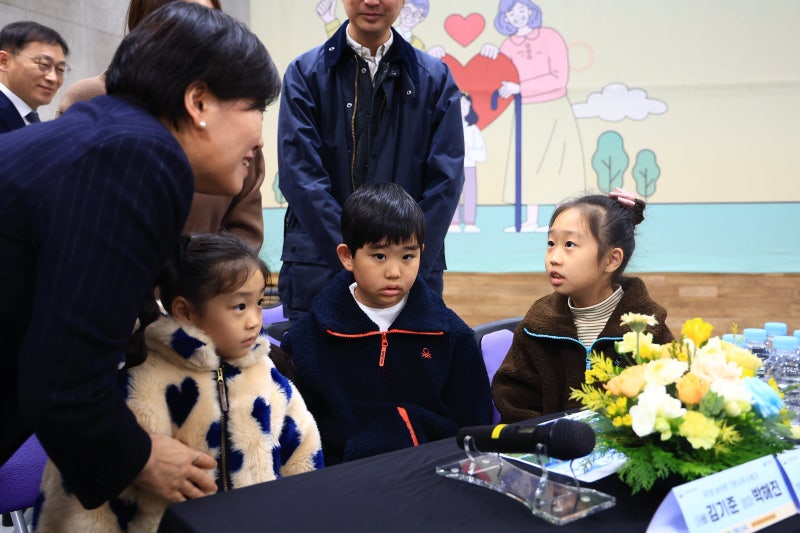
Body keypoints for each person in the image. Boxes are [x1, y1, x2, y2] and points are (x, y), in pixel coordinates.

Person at [0, 2, 281, 511]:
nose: (259, 137)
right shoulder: (139, 158)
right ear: (198, 100)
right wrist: (140, 459)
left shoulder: (109, 136)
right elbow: (64, 385)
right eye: (255, 109)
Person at [34, 233, 323, 531]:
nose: (254, 320)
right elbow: (86, 504)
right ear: (185, 311)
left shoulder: (266, 375)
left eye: (259, 302)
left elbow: (304, 458)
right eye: (239, 306)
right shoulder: (141, 382)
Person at [278, 0, 465, 320]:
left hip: (408, 281)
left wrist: (401, 261)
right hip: (321, 271)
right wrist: (356, 259)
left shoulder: (434, 79)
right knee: (318, 368)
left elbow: (446, 182)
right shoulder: (305, 74)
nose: (372, 1)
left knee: (408, 370)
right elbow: (301, 178)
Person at [281, 183, 492, 465]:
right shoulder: (307, 340)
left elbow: (472, 426)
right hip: (343, 482)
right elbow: (300, 433)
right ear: (347, 256)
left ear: (421, 252)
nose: (394, 272)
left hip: (432, 475)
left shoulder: (451, 335)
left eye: (408, 256)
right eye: (379, 256)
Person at [55, 0, 265, 251]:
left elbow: (245, 229)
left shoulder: (231, 113)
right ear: (144, 23)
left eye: (209, 19)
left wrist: (204, 280)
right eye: (181, 18)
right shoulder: (92, 97)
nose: (199, 32)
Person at [491, 191, 674, 423]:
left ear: (611, 260)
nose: (554, 258)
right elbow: (515, 404)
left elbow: (670, 403)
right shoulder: (536, 325)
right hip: (549, 454)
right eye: (551, 243)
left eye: (569, 244)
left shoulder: (647, 328)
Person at [481, 0, 585, 233]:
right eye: (511, 12)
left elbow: (558, 78)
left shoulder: (551, 37)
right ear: (505, 18)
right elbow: (499, 81)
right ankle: (530, 220)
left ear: (531, 11)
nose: (517, 15)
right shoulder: (508, 45)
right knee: (529, 165)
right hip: (526, 111)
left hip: (555, 107)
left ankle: (565, 221)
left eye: (521, 9)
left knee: (558, 163)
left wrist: (521, 87)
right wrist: (492, 56)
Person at [0, 21, 69, 132]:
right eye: (44, 64)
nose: (53, 78)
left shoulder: (31, 120)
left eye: (60, 69)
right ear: (4, 61)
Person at [449, 91, 486, 233]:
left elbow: (482, 154)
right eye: (459, 103)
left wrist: (469, 151)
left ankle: (470, 222)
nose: (462, 106)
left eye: (465, 103)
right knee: (453, 195)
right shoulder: (449, 128)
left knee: (470, 194)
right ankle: (453, 222)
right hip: (453, 168)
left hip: (469, 166)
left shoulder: (473, 130)